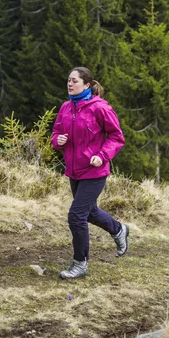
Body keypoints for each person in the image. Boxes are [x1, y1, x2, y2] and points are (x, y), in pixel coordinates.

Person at [51, 66, 129, 279]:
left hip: (95, 171)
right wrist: (57, 141)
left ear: (87, 85)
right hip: (74, 172)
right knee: (89, 212)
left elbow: (117, 137)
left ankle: (80, 263)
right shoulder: (66, 108)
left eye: (74, 81)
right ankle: (119, 230)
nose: (69, 84)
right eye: (68, 80)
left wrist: (102, 155)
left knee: (76, 216)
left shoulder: (100, 108)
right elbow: (56, 133)